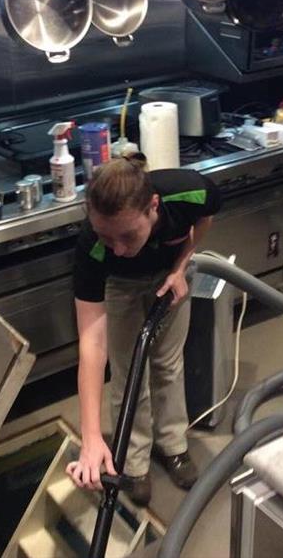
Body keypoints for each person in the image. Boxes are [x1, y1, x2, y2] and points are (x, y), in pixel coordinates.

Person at [66, 153, 222, 505]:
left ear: (153, 205)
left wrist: (181, 266)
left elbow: (205, 219)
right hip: (119, 287)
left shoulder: (190, 192)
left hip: (170, 276)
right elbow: (91, 343)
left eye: (127, 235)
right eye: (108, 239)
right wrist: (91, 437)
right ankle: (134, 463)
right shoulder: (92, 245)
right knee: (128, 372)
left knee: (168, 363)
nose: (119, 249)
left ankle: (174, 446)